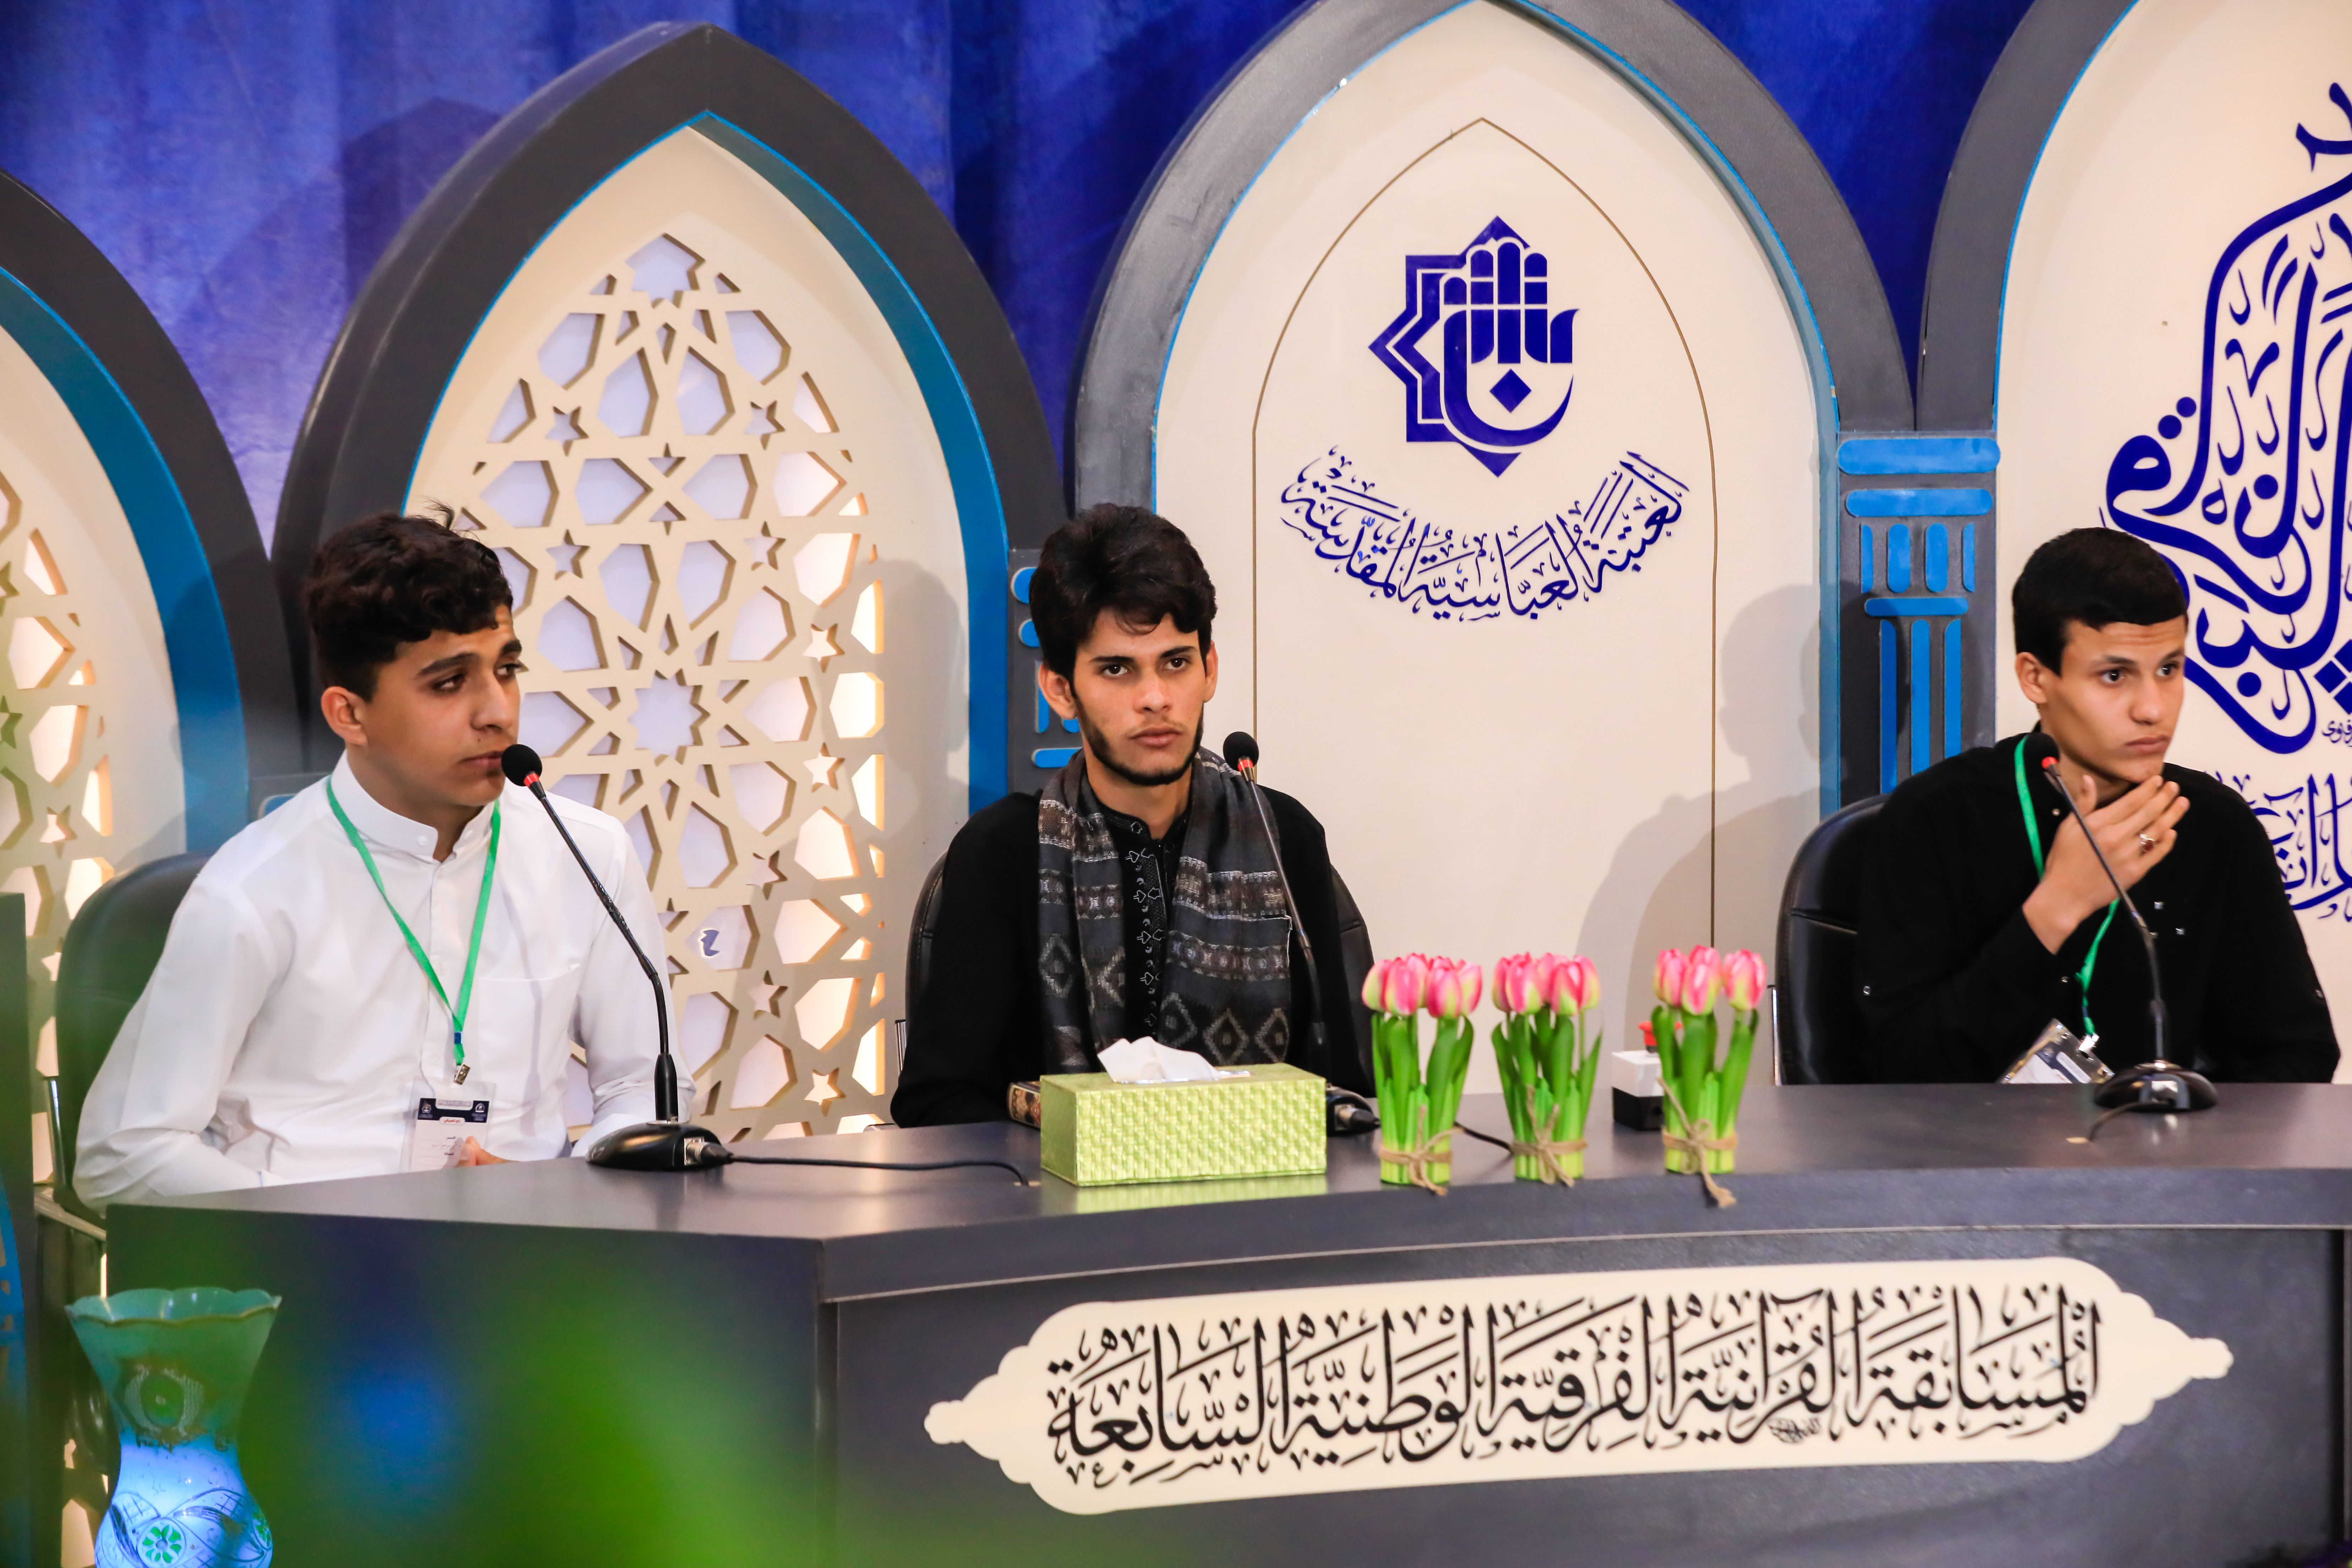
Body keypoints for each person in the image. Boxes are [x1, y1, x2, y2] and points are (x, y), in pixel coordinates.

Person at [75, 510, 680, 1209]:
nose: (497, 712)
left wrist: (560, 1192)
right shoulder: (254, 890)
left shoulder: (587, 853)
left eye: (506, 669)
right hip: (310, 1262)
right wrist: (333, 1227)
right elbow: (123, 1156)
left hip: (531, 1254)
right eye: (449, 683)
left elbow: (644, 1086)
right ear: (350, 715)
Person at [891, 504, 1367, 1126]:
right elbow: (938, 1105)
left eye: (1176, 662)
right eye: (1117, 669)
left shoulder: (1283, 839)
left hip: (1262, 1184)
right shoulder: (1004, 853)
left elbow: (1341, 1091)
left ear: (1210, 669)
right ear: (1061, 690)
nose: (1155, 698)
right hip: (1048, 1185)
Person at [1857, 527, 2335, 1082]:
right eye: (2114, 676)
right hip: (1973, 1140)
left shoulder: (2212, 824)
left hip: (2165, 1140)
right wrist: (2056, 907)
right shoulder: (1935, 819)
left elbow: (2299, 1055)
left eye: (2169, 669)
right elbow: (1899, 1072)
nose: (2153, 708)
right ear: (2036, 678)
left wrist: (2184, 1129)